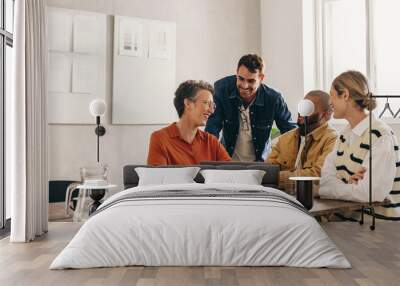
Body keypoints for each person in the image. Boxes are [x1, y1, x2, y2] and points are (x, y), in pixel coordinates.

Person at [318, 70, 400, 220]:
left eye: (332, 95)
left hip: (376, 232)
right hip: (346, 223)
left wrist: (337, 184)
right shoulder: (343, 135)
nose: (329, 102)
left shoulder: (381, 136)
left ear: (345, 95)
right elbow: (325, 180)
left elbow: (370, 193)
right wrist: (349, 185)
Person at [205, 54, 297, 162]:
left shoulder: (274, 99)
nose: (244, 86)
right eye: (241, 78)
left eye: (251, 81)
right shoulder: (222, 89)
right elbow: (212, 129)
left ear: (261, 78)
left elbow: (290, 133)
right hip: (227, 162)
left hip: (260, 165)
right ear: (236, 73)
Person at [266, 90, 337, 193]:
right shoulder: (285, 139)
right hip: (284, 198)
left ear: (324, 115)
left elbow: (318, 174)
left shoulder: (332, 140)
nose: (301, 112)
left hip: (316, 200)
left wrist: (276, 178)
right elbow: (268, 171)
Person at [147, 80, 231, 165]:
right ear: (188, 103)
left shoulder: (211, 142)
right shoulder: (160, 139)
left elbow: (232, 172)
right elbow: (159, 178)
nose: (211, 110)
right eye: (206, 103)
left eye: (212, 105)